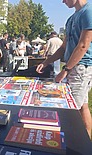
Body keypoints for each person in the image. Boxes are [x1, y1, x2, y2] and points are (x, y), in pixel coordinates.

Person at [36, 0, 92, 139]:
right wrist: (46, 62)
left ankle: (78, 143)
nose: (62, 1)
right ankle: (86, 141)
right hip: (75, 67)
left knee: (72, 110)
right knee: (82, 106)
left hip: (80, 68)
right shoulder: (71, 19)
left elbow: (83, 45)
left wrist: (65, 70)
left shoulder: (89, 11)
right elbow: (63, 48)